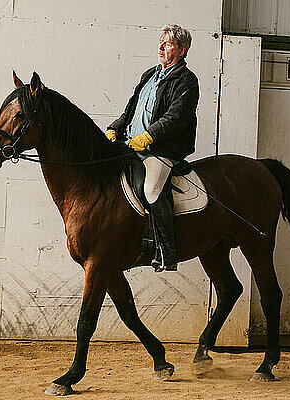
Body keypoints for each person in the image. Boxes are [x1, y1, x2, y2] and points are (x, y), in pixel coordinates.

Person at [106, 24, 200, 271]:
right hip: (131, 144)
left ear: (181, 50)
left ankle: (166, 252)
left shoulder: (187, 81)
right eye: (160, 41)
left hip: (162, 150)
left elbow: (176, 118)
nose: (160, 47)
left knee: (151, 188)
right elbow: (132, 110)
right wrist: (115, 127)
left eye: (167, 44)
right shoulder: (149, 74)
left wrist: (148, 137)